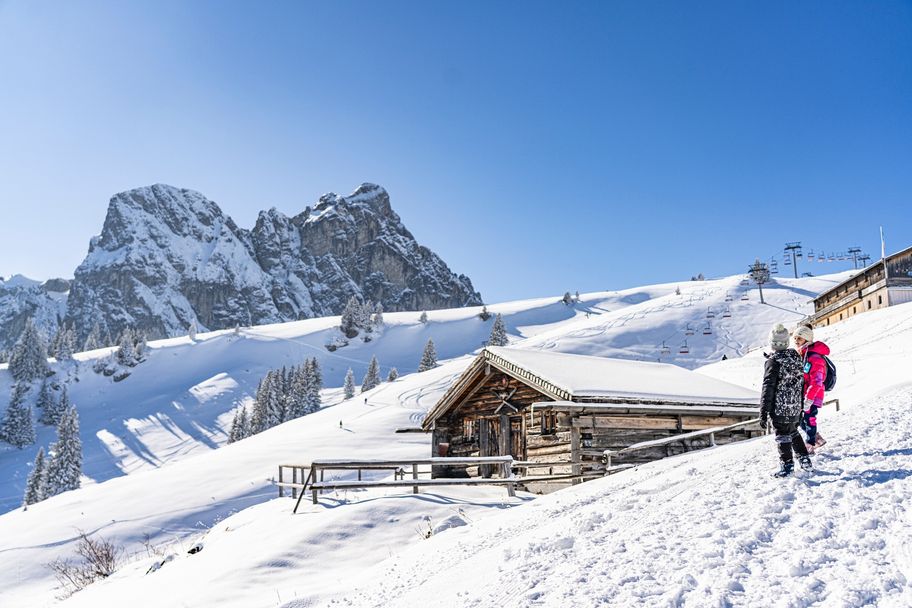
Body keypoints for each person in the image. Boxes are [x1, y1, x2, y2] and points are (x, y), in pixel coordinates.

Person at [760, 323, 812, 477]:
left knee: (782, 435)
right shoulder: (795, 358)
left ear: (772, 343)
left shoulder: (773, 362)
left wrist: (763, 412)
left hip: (780, 408)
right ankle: (805, 460)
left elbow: (768, 388)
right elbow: (801, 383)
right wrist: (800, 406)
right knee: (793, 432)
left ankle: (787, 466)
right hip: (795, 406)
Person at [792, 324, 829, 453]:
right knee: (798, 419)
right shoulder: (802, 354)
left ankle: (810, 445)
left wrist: (809, 398)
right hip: (804, 394)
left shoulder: (814, 357)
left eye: (799, 338)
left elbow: (817, 382)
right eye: (795, 338)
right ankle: (816, 438)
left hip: (813, 394)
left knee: (809, 419)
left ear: (807, 340)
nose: (796, 341)